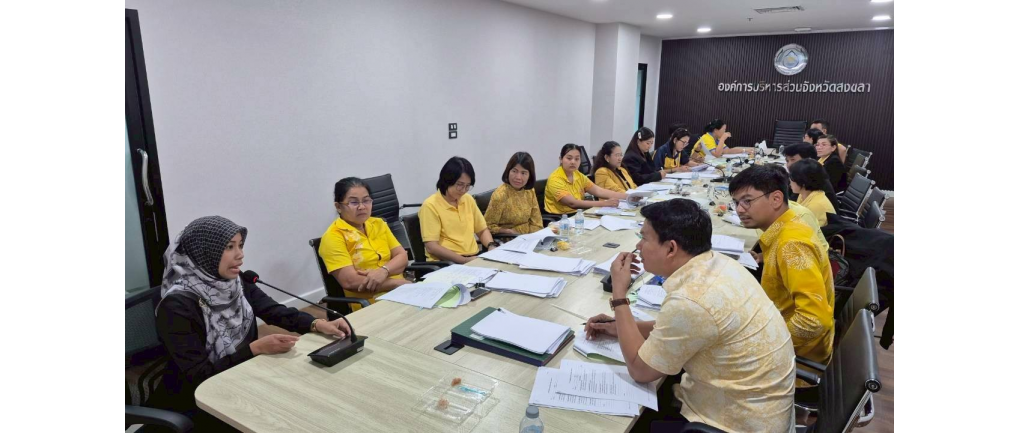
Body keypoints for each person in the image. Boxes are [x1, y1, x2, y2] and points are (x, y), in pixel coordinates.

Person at [585, 199, 795, 432]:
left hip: (735, 423)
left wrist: (619, 293)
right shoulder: (720, 263)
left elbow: (640, 370)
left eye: (644, 238)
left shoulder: (691, 300)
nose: (638, 245)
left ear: (671, 248)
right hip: (764, 410)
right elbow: (684, 327)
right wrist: (620, 327)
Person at [152, 216, 352, 428]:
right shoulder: (176, 306)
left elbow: (274, 311)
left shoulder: (235, 282)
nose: (240, 254)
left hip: (240, 376)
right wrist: (254, 349)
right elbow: (199, 375)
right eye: (229, 247)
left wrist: (317, 324)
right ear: (203, 252)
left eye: (240, 245)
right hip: (197, 400)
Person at [728, 165, 835, 370]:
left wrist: (764, 345)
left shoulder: (791, 245)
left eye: (747, 201)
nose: (739, 209)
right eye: (736, 202)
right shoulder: (788, 225)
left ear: (776, 199)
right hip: (778, 326)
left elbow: (814, 320)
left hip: (794, 359)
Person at [319, 177, 412, 310]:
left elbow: (402, 257)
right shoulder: (333, 237)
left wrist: (383, 271)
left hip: (402, 294)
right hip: (369, 304)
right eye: (354, 202)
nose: (362, 207)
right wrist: (396, 283)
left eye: (366, 200)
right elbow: (350, 281)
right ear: (338, 207)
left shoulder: (378, 223)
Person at [420, 156, 496, 263]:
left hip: (472, 258)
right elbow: (431, 247)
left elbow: (482, 230)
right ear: (447, 180)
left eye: (468, 186)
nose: (464, 190)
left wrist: (491, 246)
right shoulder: (430, 205)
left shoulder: (468, 199)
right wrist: (463, 260)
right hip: (446, 263)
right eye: (460, 185)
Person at [544, 143, 628, 215]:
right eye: (569, 158)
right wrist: (605, 203)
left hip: (577, 214)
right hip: (560, 218)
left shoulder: (578, 175)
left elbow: (598, 191)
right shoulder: (555, 179)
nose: (573, 162)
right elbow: (572, 203)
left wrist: (628, 196)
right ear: (561, 159)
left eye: (577, 159)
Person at [484, 152, 543, 235]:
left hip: (528, 237)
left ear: (530, 175)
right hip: (508, 239)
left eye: (523, 173)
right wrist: (507, 231)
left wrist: (533, 237)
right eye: (514, 171)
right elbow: (487, 226)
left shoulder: (530, 191)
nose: (518, 177)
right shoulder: (500, 195)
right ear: (508, 171)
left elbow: (536, 222)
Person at [788, 159, 838, 227]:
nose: (790, 182)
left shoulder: (815, 206)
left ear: (803, 183)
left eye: (792, 179)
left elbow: (801, 229)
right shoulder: (804, 193)